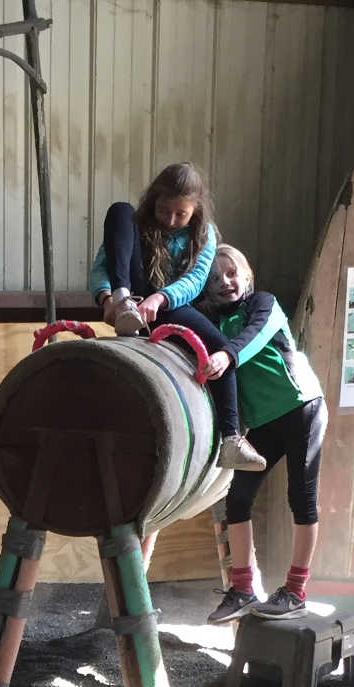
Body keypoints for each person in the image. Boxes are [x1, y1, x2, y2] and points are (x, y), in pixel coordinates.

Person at [86, 162, 264, 471]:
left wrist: (162, 297)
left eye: (180, 214)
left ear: (195, 210)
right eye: (164, 211)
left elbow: (195, 281)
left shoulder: (205, 234)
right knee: (119, 211)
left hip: (171, 305)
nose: (170, 220)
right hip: (131, 297)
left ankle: (231, 438)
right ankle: (123, 301)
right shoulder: (138, 223)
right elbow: (104, 264)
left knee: (221, 348)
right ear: (154, 201)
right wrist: (107, 298)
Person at [195, 245, 329, 624]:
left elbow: (252, 337)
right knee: (237, 498)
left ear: (248, 275)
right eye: (216, 278)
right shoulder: (214, 320)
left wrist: (226, 356)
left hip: (302, 408)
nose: (225, 282)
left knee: (301, 499)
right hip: (266, 422)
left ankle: (296, 591)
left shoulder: (265, 304)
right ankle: (242, 589)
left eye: (232, 273)